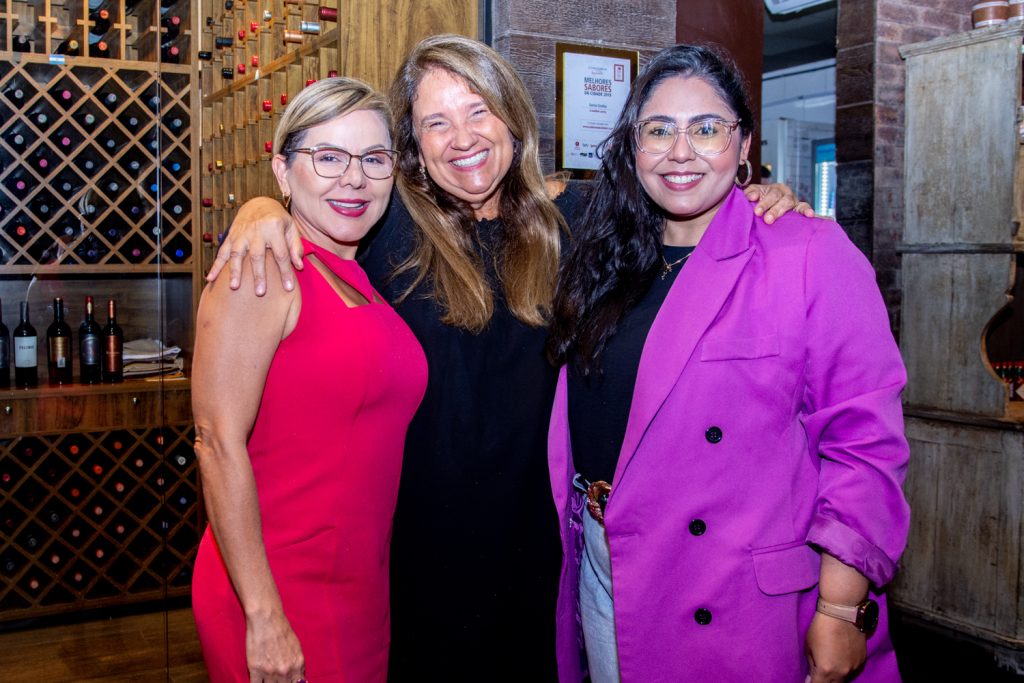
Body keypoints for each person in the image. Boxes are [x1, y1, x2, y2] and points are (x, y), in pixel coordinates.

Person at [205, 35, 808, 681]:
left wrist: (764, 198)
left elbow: (685, 207)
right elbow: (319, 205)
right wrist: (260, 210)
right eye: (436, 121)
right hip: (411, 555)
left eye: (478, 110)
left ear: (514, 120)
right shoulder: (388, 225)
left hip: (536, 549)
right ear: (414, 147)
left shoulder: (577, 219)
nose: (461, 136)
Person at [545, 44, 910, 683]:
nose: (680, 151)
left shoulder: (808, 252)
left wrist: (843, 605)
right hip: (606, 560)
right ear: (632, 147)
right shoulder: (604, 254)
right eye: (658, 130)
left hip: (732, 590)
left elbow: (865, 446)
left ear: (743, 145)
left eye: (707, 128)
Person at [190, 77, 427, 683]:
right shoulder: (262, 268)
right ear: (281, 169)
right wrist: (263, 615)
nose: (354, 179)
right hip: (275, 587)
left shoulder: (360, 274)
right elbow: (217, 441)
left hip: (358, 584)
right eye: (328, 157)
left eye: (374, 159)